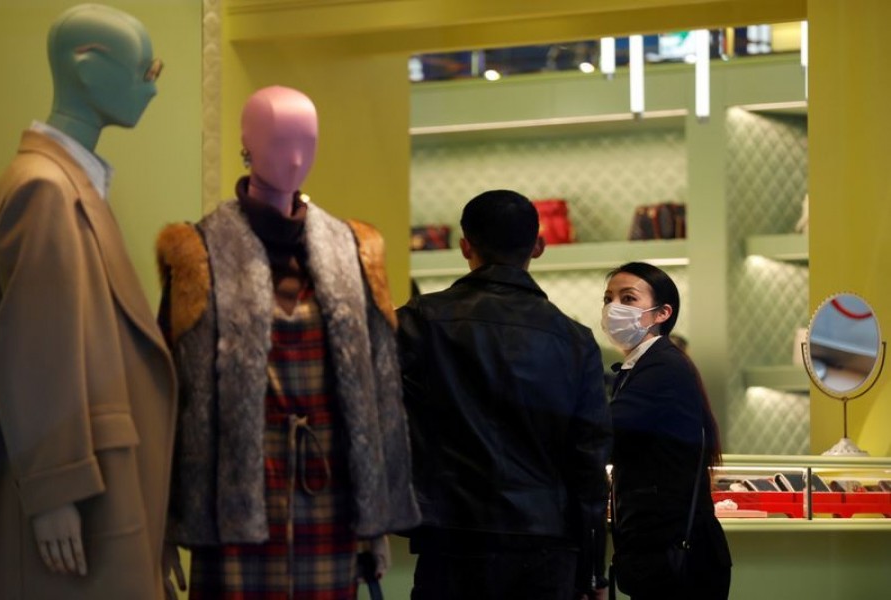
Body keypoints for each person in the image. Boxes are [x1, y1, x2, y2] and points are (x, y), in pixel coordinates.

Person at [156, 85, 420, 599]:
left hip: (332, 500)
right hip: (234, 504)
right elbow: (168, 394)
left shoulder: (354, 250)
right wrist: (165, 519)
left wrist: (377, 517)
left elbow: (381, 394)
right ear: (247, 145)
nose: (296, 158)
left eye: (308, 142)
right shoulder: (199, 252)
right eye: (279, 142)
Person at [0, 4, 176, 599]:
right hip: (84, 491)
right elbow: (36, 350)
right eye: (147, 71)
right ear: (90, 70)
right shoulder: (45, 189)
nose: (152, 89)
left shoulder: (70, 182)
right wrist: (53, 490)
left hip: (102, 479)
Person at [397, 189, 613, 600]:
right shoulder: (576, 340)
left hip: (452, 535)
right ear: (538, 246)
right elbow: (589, 462)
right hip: (546, 541)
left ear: (465, 247)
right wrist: (592, 573)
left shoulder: (419, 321)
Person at [601, 262, 731, 600]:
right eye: (608, 298)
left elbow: (607, 433)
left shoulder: (661, 368)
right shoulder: (640, 367)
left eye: (628, 298)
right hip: (664, 556)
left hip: (677, 559)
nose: (614, 308)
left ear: (662, 313)